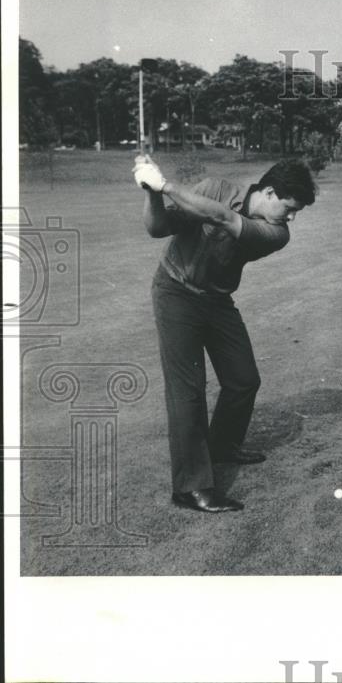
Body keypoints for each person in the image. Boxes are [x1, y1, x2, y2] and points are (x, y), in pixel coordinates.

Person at [134, 155, 317, 513]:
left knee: (244, 379)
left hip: (217, 301)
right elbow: (157, 229)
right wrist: (152, 192)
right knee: (187, 391)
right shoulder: (215, 189)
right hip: (175, 293)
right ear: (268, 192)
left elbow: (222, 217)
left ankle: (221, 447)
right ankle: (190, 487)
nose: (292, 218)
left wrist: (166, 184)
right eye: (290, 208)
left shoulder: (276, 234)